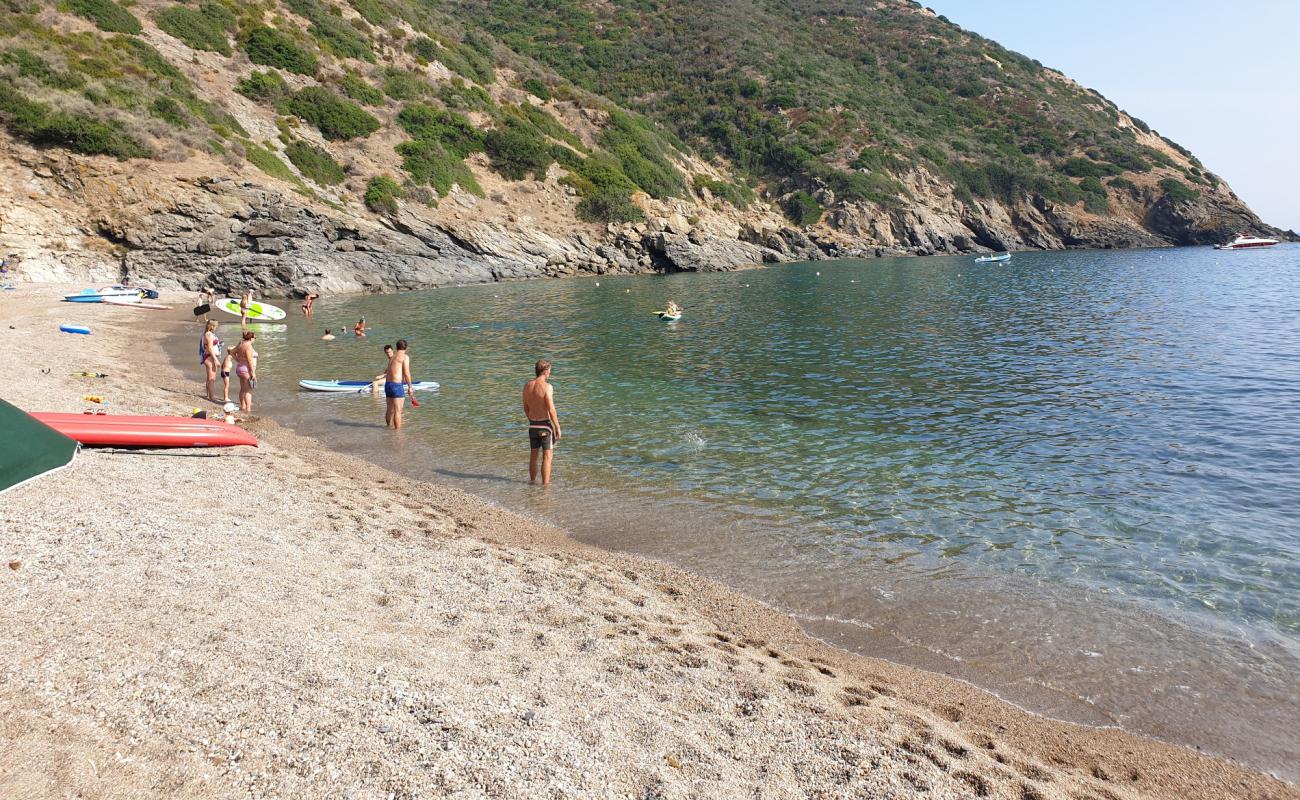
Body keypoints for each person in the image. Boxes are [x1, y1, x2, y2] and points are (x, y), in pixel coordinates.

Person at [524, 359, 562, 485]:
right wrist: (557, 427)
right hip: (545, 426)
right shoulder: (547, 387)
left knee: (533, 456)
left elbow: (526, 407)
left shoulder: (527, 386)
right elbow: (551, 408)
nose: (550, 373)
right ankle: (545, 487)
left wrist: (531, 419)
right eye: (550, 370)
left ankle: (532, 482)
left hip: (533, 425)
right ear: (545, 371)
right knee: (547, 457)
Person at [384, 339, 413, 429]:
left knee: (389, 409)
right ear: (406, 348)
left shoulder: (392, 357)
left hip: (388, 385)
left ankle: (388, 428)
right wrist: (410, 387)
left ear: (396, 348)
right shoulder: (405, 357)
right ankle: (397, 434)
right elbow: (407, 373)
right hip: (396, 385)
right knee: (398, 411)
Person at [231, 330, 258, 414]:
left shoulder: (241, 343)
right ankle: (248, 409)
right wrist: (253, 373)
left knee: (242, 389)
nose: (255, 339)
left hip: (239, 368)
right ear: (251, 338)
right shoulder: (248, 346)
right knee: (248, 390)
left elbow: (232, 352)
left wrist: (238, 360)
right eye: (255, 338)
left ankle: (243, 406)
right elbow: (250, 360)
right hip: (247, 369)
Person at [199, 320, 222, 402]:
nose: (217, 327)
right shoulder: (208, 335)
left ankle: (208, 395)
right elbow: (209, 348)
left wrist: (219, 344)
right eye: (216, 325)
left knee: (210, 377)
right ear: (212, 326)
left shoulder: (209, 334)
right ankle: (212, 397)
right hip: (209, 357)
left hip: (210, 356)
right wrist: (216, 360)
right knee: (212, 378)